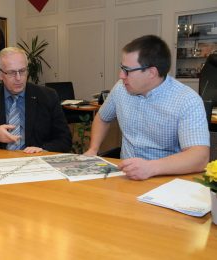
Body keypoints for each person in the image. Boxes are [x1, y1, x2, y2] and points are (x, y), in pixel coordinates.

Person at [84, 35, 210, 180]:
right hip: (125, 176)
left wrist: (151, 167)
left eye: (127, 70)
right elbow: (102, 118)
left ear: (151, 73)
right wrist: (93, 149)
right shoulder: (121, 88)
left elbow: (199, 157)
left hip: (166, 179)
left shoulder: (187, 100)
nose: (121, 75)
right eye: (121, 68)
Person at [0, 47, 72, 153]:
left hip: (37, 163)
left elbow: (65, 140)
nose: (19, 78)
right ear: (0, 74)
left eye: (22, 71)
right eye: (11, 72)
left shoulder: (48, 96)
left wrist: (43, 150)